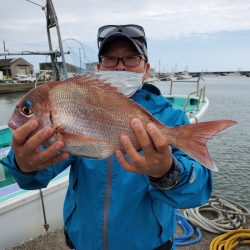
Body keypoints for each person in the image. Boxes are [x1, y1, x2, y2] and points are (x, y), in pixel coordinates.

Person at [6, 24, 212, 250]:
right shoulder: (80, 107)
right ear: (99, 68)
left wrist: (168, 171)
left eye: (131, 58)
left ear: (146, 69)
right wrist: (23, 164)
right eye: (110, 59)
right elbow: (35, 177)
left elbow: (200, 190)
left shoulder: (171, 118)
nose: (120, 67)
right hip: (83, 242)